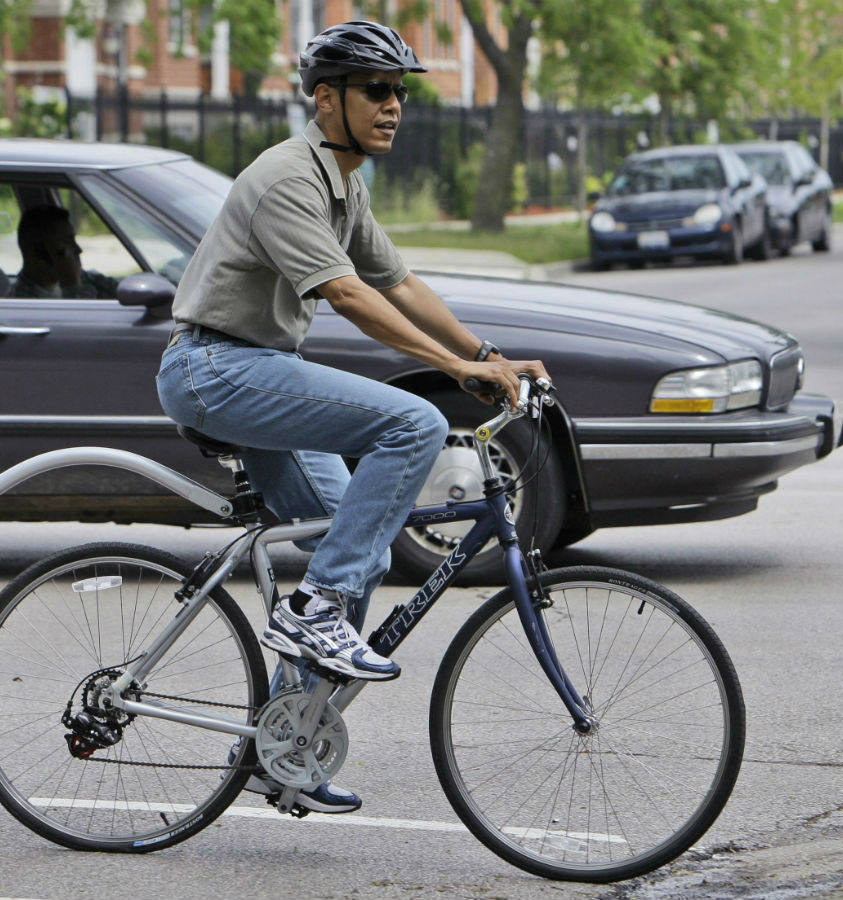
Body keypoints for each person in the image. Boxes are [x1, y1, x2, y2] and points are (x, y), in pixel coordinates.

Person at [155, 20, 550, 814]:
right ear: (326, 98)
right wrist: (453, 371)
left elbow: (398, 283)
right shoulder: (287, 178)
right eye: (376, 89)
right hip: (215, 368)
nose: (394, 105)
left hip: (256, 369)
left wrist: (488, 355)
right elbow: (346, 295)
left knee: (354, 544)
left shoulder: (345, 183)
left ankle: (279, 749)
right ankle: (313, 608)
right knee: (411, 425)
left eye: (400, 91)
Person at [7, 204, 119, 299]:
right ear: (38, 252)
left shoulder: (82, 277)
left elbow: (120, 290)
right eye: (67, 242)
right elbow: (82, 322)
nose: (79, 250)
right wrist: (72, 287)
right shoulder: (23, 302)